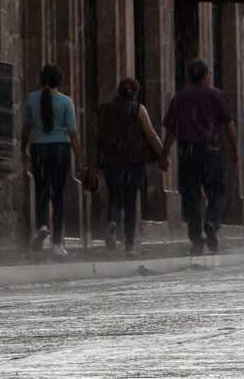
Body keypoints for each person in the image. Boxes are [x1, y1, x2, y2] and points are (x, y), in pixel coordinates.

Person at [159, 59, 239, 255]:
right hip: (211, 150)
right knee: (217, 190)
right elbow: (229, 125)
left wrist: (164, 153)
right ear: (206, 75)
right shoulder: (217, 95)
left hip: (187, 152)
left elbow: (171, 130)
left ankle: (196, 237)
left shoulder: (179, 98)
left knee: (191, 196)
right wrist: (235, 148)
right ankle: (211, 221)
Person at [93, 78, 163, 255]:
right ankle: (129, 245)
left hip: (111, 162)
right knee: (131, 203)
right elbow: (151, 134)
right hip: (133, 163)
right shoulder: (139, 109)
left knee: (115, 199)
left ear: (118, 91)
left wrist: (94, 161)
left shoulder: (108, 109)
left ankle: (113, 222)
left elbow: (98, 136)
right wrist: (163, 154)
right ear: (136, 92)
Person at [20, 64, 82, 256]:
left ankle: (42, 226)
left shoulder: (31, 99)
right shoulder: (66, 102)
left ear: (41, 79)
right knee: (58, 195)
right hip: (60, 150)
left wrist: (23, 149)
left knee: (41, 191)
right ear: (59, 81)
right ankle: (56, 243)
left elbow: (26, 129)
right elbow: (73, 133)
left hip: (39, 148)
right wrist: (79, 158)